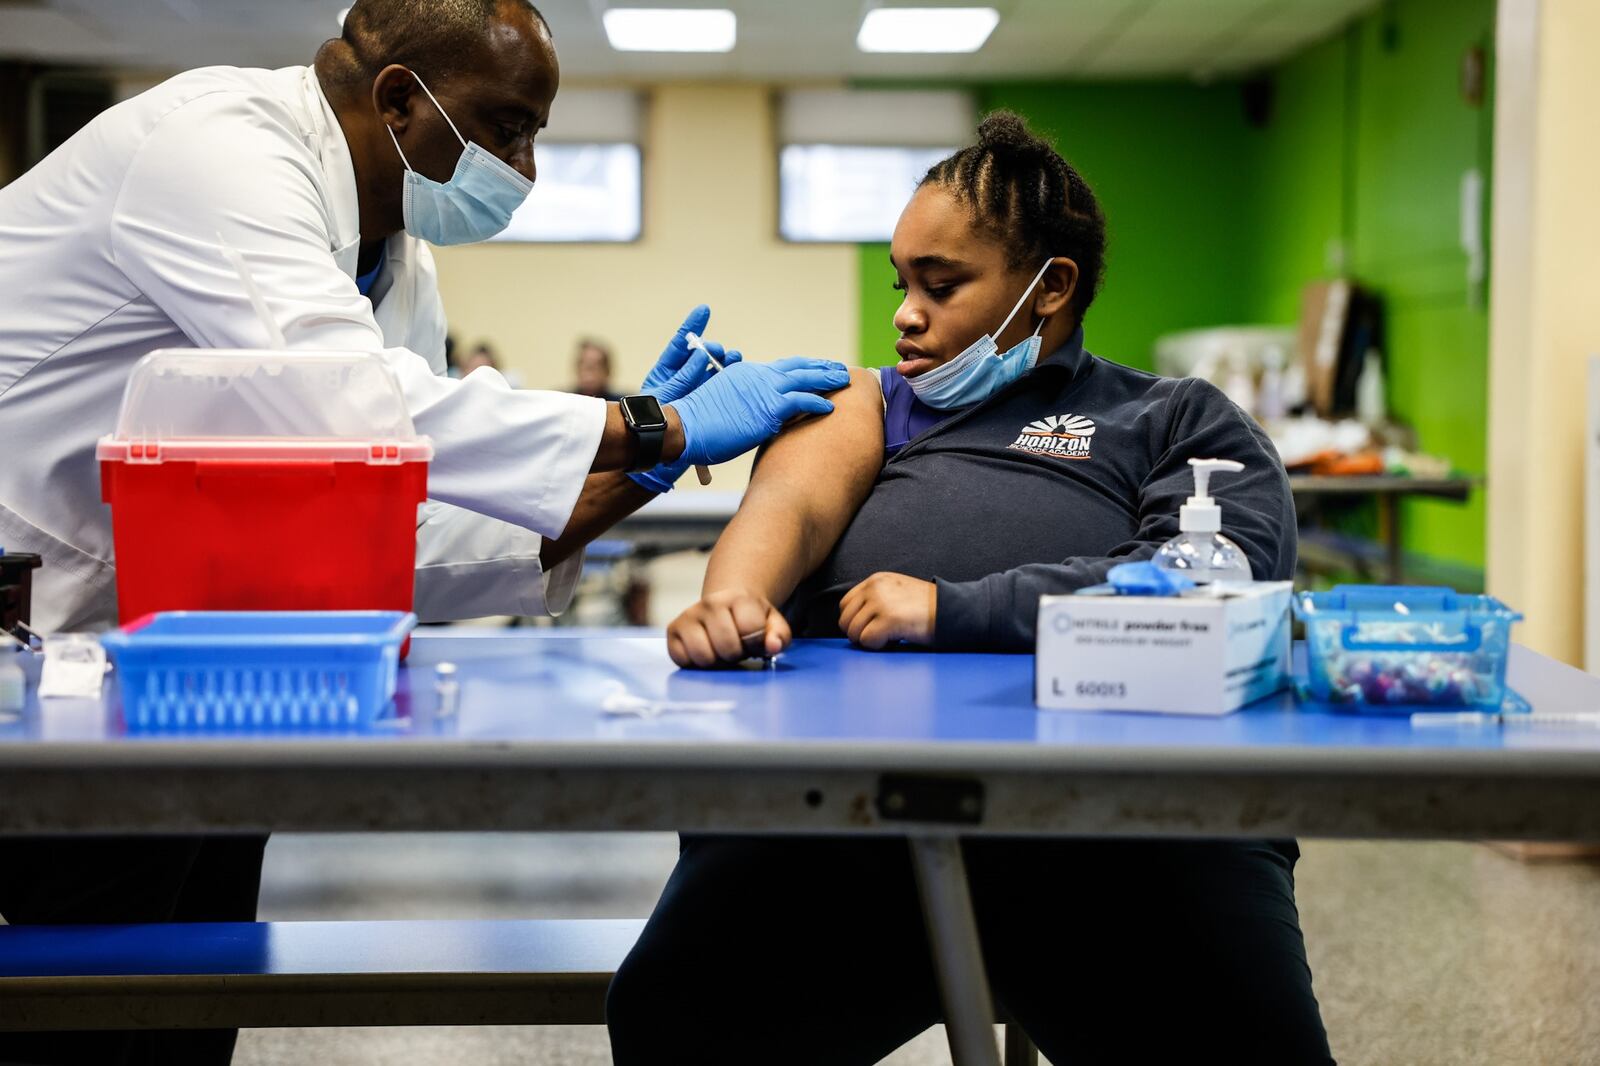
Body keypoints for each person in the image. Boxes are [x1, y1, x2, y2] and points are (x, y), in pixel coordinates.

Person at [0, 2, 846, 1063]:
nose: (525, 170)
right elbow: (354, 409)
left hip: (181, 674)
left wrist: (642, 473)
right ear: (401, 98)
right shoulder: (215, 149)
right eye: (505, 127)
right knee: (74, 1014)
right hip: (35, 647)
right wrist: (648, 422)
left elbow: (395, 531)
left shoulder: (395, 256)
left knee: (177, 1002)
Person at [606, 113, 1333, 1064]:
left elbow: (1221, 575)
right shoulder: (866, 402)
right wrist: (733, 600)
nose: (906, 311)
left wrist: (957, 610)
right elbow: (788, 510)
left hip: (1125, 830)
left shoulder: (1174, 419)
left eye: (940, 285)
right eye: (901, 283)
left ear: (1050, 288)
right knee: (673, 1016)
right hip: (856, 819)